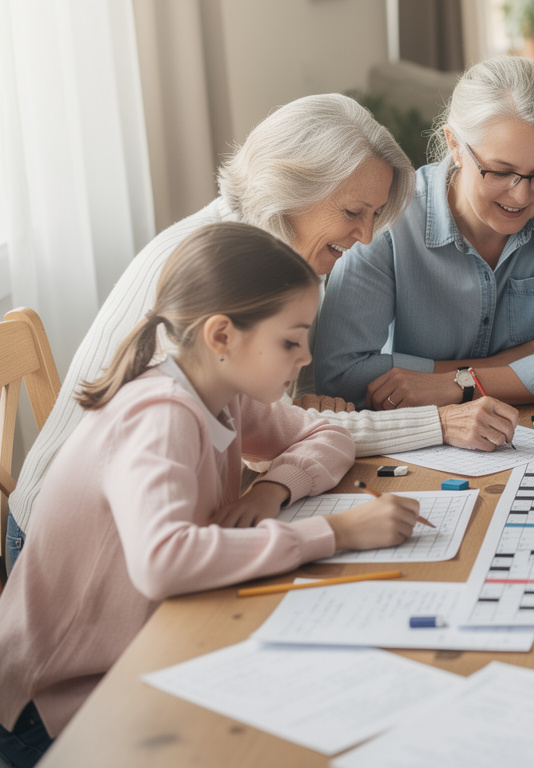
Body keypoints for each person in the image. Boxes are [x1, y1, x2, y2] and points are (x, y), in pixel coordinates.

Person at [6, 93, 518, 572]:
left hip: (161, 530)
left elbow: (272, 429)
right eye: (352, 213)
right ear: (293, 188)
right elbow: (262, 445)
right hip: (79, 555)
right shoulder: (221, 277)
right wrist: (441, 423)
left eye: (375, 215)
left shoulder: (256, 258)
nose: (365, 238)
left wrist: (277, 477)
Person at [0, 224, 423, 767]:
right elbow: (163, 561)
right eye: (291, 341)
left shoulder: (220, 391)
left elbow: (328, 433)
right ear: (222, 336)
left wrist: (274, 486)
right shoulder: (161, 414)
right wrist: (335, 532)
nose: (304, 357)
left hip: (148, 643)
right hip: (59, 697)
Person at [312, 56, 534, 410]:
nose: (521, 196)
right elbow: (340, 374)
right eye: (499, 171)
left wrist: (455, 384)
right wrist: (503, 368)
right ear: (454, 145)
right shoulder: (388, 214)